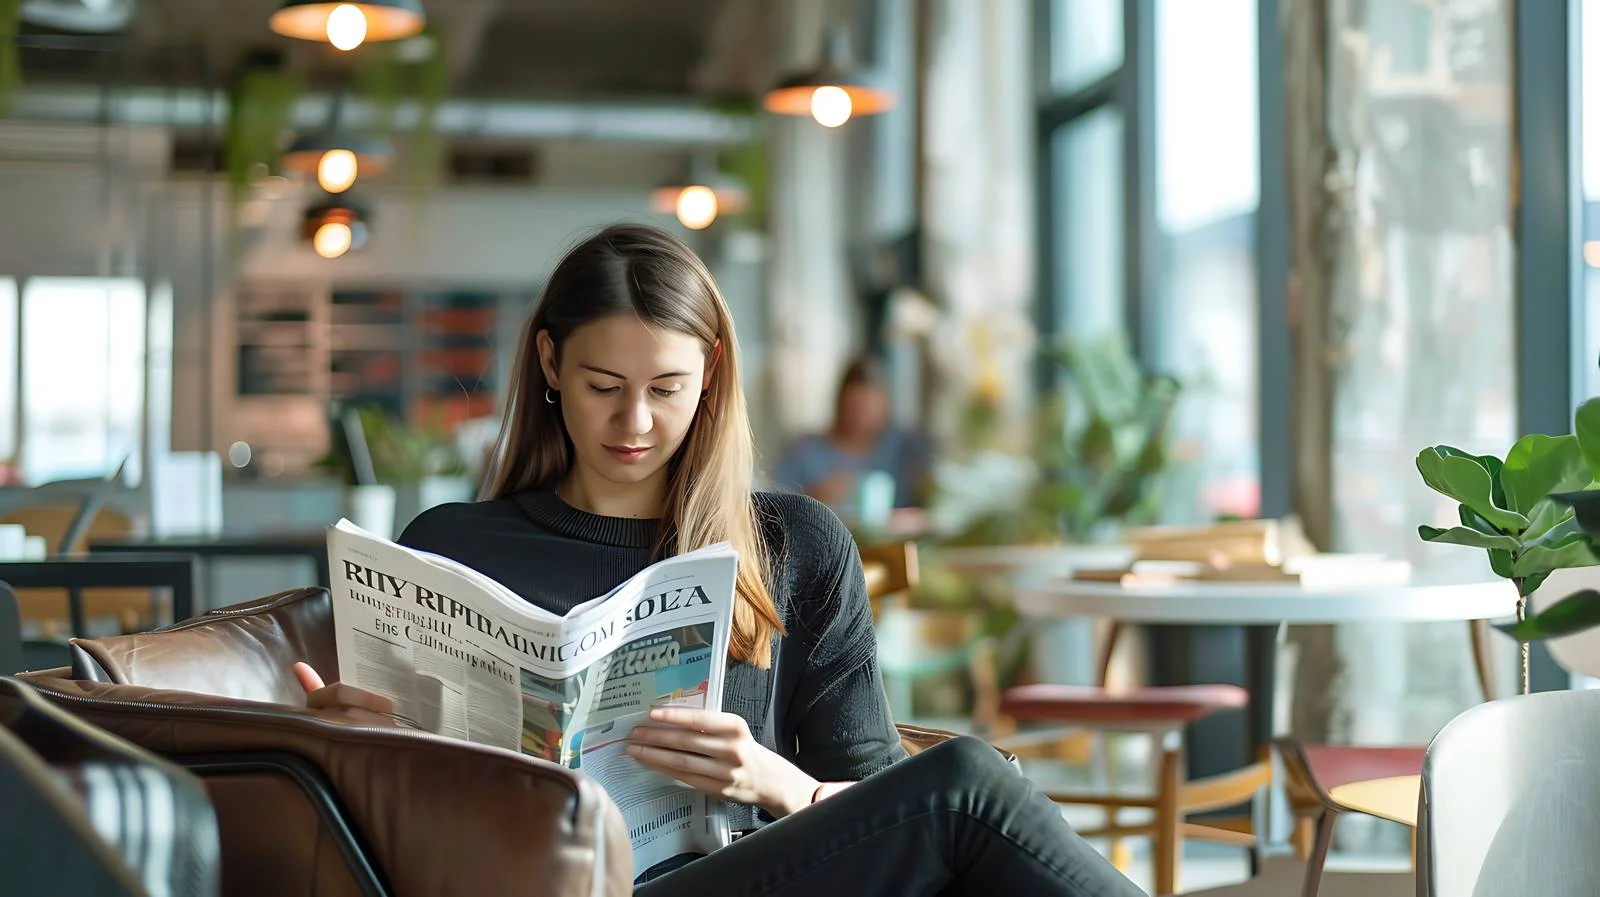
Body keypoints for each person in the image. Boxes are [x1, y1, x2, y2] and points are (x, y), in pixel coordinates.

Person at [292, 223, 1144, 897]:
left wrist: (770, 777)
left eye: (665, 388)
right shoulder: (452, 544)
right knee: (965, 781)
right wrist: (346, 750)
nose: (633, 421)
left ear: (711, 374)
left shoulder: (796, 545)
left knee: (963, 789)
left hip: (751, 873)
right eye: (602, 385)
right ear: (551, 362)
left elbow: (874, 795)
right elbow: (388, 832)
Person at [772, 356, 932, 515]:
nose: (862, 416)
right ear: (840, 402)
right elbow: (774, 509)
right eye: (856, 406)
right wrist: (812, 499)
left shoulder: (904, 449)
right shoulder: (803, 453)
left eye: (870, 407)